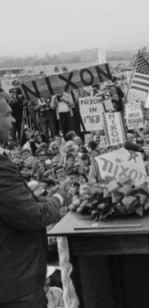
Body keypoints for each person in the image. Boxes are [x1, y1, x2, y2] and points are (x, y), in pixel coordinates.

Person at [0, 92, 71, 308]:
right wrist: (60, 197)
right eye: (6, 115)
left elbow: (13, 205)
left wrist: (43, 199)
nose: (13, 120)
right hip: (16, 286)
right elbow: (33, 215)